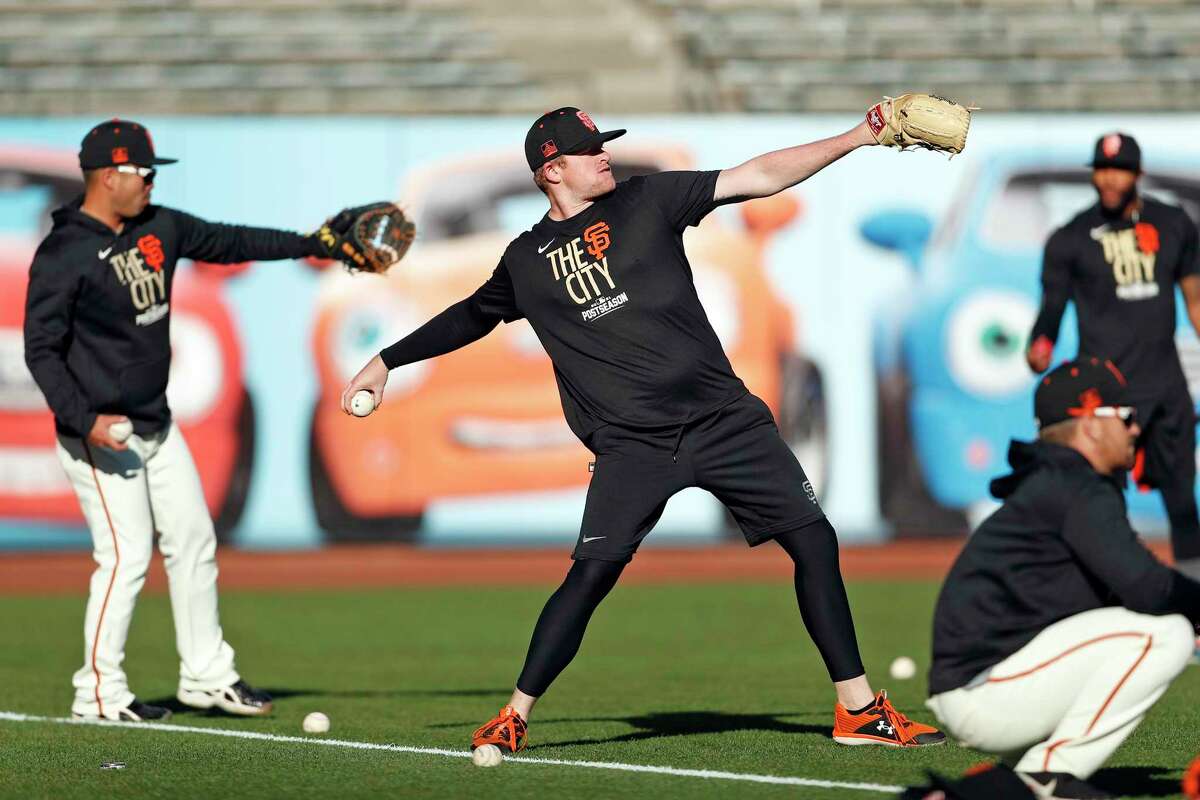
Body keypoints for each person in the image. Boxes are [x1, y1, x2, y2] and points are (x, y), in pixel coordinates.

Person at [342, 106, 946, 750]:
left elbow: (760, 176)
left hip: (725, 421)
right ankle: (513, 714)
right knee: (591, 576)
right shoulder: (524, 260)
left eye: (602, 145)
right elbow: (469, 317)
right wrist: (385, 360)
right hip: (635, 445)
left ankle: (857, 709)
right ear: (552, 170)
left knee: (815, 544)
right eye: (589, 150)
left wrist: (862, 135)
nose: (604, 156)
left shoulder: (649, 199)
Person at [24, 119, 333, 721]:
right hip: (100, 434)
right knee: (127, 555)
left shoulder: (156, 226)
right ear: (108, 176)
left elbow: (231, 240)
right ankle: (98, 692)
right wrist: (83, 419)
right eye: (142, 171)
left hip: (156, 425)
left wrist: (314, 241)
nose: (150, 180)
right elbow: (42, 350)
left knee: (194, 542)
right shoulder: (64, 254)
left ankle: (206, 676)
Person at [927, 358, 1200, 800]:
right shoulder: (1072, 486)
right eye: (1126, 417)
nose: (1135, 429)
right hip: (986, 690)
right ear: (1090, 424)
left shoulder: (1061, 482)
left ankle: (998, 788)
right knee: (1167, 634)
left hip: (997, 679)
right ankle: (1048, 776)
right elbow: (1147, 586)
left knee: (1159, 624)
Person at [1026, 132, 1200, 581]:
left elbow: (1195, 301)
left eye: (1119, 168)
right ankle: (1111, 602)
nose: (1109, 177)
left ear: (1138, 175)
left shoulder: (1173, 224)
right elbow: (1052, 307)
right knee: (1104, 502)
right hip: (1104, 395)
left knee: (1182, 502)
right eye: (1102, 168)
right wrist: (1040, 342)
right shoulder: (1071, 238)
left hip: (1165, 385)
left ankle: (1197, 610)